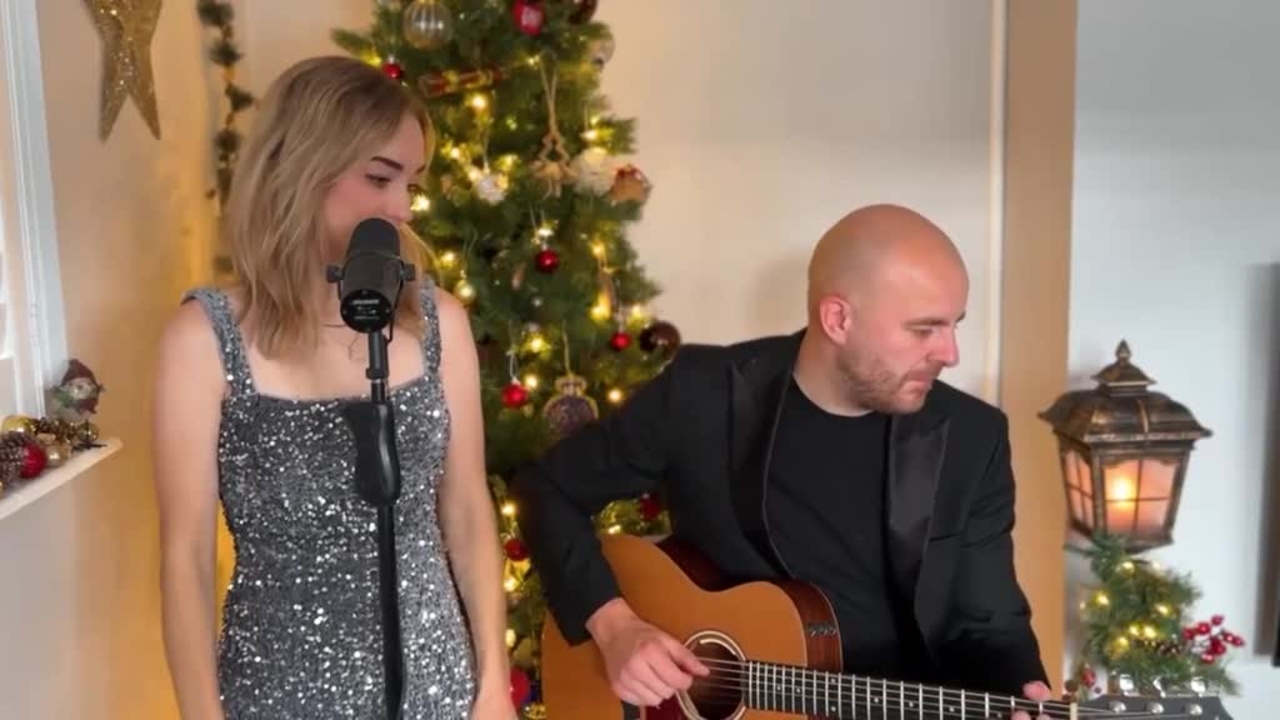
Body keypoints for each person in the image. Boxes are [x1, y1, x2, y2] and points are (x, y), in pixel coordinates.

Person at [510, 204, 1053, 720]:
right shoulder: (704, 396)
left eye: (955, 324)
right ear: (837, 318)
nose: (950, 354)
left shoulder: (972, 437)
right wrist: (615, 627)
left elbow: (991, 624)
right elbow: (547, 488)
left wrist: (1022, 694)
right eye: (924, 329)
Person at [152, 56, 513, 720]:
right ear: (300, 167)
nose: (403, 208)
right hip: (274, 694)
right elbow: (186, 557)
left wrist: (493, 686)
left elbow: (465, 508)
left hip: (437, 687)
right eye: (379, 178)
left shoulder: (440, 323)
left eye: (412, 183)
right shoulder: (202, 340)